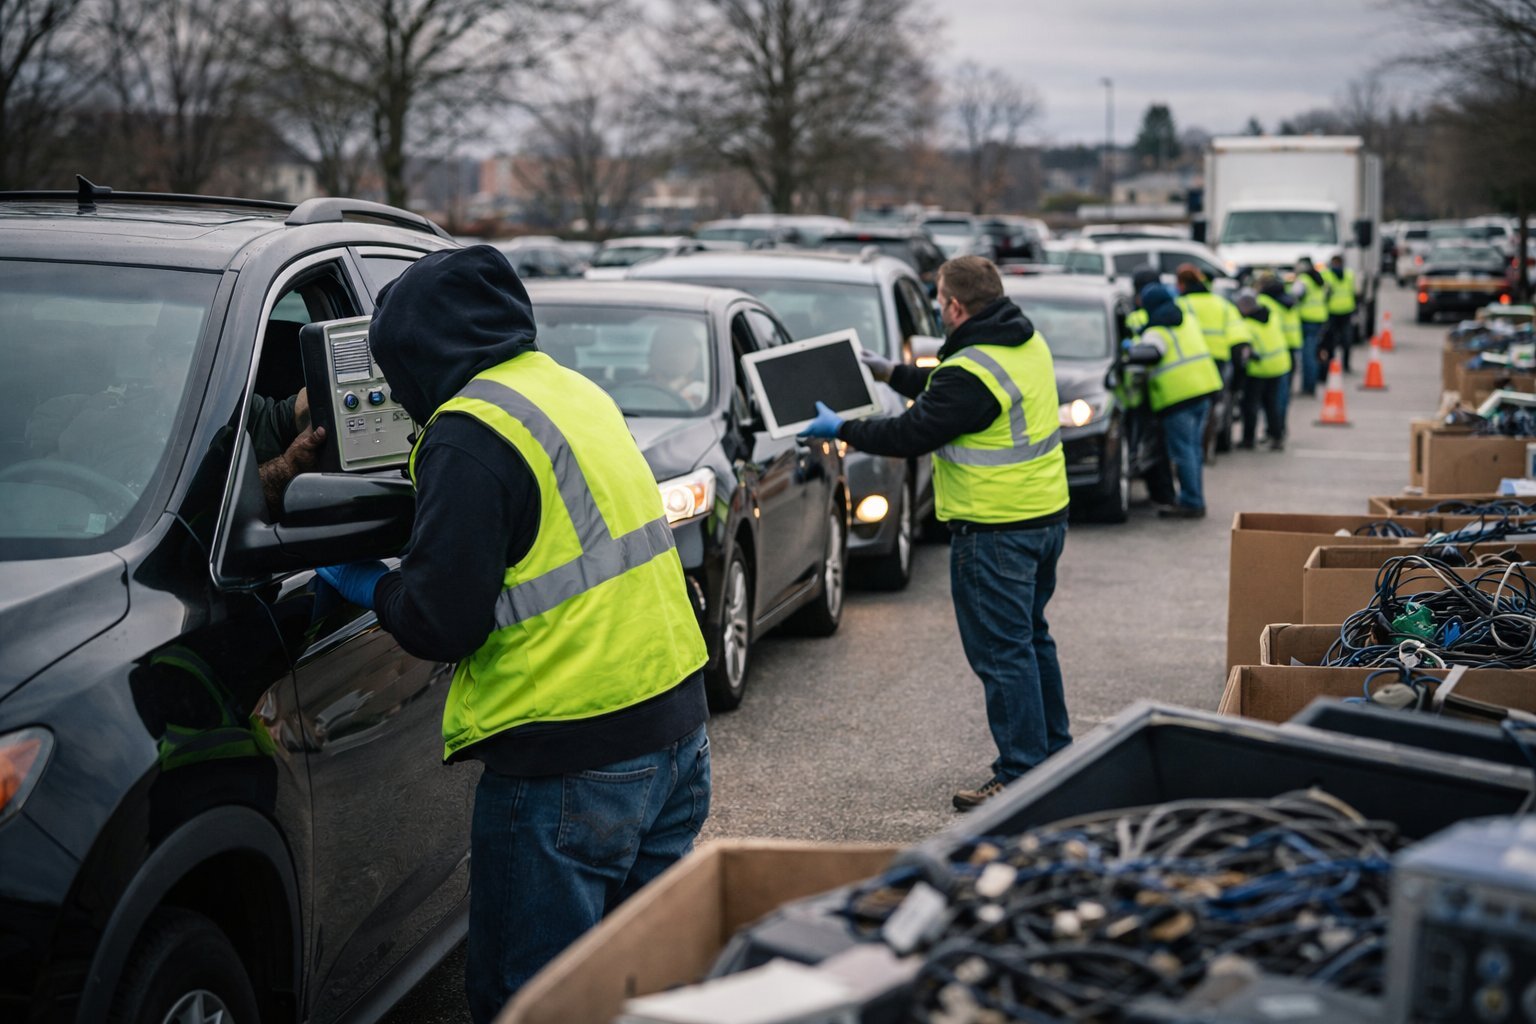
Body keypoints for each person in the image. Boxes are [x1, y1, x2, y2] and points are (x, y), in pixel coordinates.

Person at [315, 246, 710, 1022]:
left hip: (569, 759)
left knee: (533, 1001)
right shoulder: (569, 391)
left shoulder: (467, 434)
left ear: (412, 354)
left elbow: (439, 622)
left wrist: (356, 575)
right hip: (674, 729)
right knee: (642, 986)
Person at [799, 256, 1070, 811]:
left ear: (953, 305)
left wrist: (841, 428)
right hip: (1042, 518)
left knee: (1002, 653)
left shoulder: (973, 372)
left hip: (994, 530)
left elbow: (913, 430)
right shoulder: (1023, 343)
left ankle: (1021, 773)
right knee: (1031, 641)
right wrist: (888, 372)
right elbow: (948, 387)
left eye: (938, 297)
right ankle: (1055, 756)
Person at [1126, 276, 1223, 518]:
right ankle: (1194, 496)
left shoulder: (1156, 332)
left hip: (1177, 398)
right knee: (1193, 450)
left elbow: (1149, 353)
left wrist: (1129, 349)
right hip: (1203, 391)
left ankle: (1191, 502)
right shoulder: (1186, 319)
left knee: (1182, 452)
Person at [1175, 264, 1245, 455]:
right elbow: (1239, 335)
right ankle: (1209, 444)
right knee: (1214, 404)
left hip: (1189, 361)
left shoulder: (1182, 304)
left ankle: (1195, 445)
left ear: (1181, 284)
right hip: (1218, 360)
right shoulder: (1222, 304)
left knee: (1191, 405)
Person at [1236, 290, 1292, 450]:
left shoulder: (1247, 325)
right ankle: (1276, 437)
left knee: (1250, 405)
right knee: (1272, 403)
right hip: (1279, 365)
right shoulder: (1272, 316)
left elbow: (1246, 352)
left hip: (1259, 369)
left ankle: (1248, 439)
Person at [1256, 272, 1301, 434]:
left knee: (1270, 398)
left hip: (1274, 353)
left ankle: (1274, 430)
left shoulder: (1264, 302)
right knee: (1282, 396)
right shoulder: (1288, 300)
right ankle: (1279, 429)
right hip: (1290, 350)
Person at [1292, 256, 1330, 395]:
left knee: (1307, 355)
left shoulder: (1304, 280)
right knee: (1312, 352)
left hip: (1307, 320)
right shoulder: (1319, 279)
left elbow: (1294, 294)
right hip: (1319, 319)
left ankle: (1308, 387)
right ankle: (1310, 384)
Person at [1319, 254, 1359, 373]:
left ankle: (1344, 365)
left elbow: (1353, 292)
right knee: (1331, 340)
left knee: (1345, 340)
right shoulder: (1327, 275)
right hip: (1332, 312)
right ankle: (1333, 363)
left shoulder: (1347, 275)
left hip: (1345, 312)